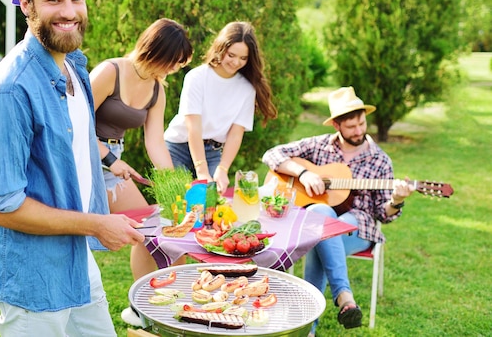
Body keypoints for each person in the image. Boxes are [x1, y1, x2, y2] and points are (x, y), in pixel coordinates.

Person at [0, 0, 144, 337]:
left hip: (77, 261)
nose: (69, 11)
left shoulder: (76, 69)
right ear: (26, 5)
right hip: (33, 280)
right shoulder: (9, 91)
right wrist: (97, 225)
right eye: (53, 0)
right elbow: (2, 207)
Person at [261, 86, 414, 334]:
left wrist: (396, 199)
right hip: (320, 224)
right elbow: (272, 154)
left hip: (358, 227)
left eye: (362, 124)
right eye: (351, 126)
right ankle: (344, 297)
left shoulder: (380, 160)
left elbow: (384, 214)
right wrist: (304, 173)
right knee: (322, 214)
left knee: (319, 238)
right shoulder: (319, 146)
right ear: (336, 126)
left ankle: (308, 327)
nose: (359, 131)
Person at [90, 18, 192, 274]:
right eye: (174, 61)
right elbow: (74, 125)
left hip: (113, 161)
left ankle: (146, 305)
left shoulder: (157, 89)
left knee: (150, 229)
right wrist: (110, 160)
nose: (174, 69)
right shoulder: (110, 72)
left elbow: (155, 141)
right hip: (81, 158)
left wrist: (173, 184)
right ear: (157, 51)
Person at [164, 21, 277, 193]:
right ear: (221, 48)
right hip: (178, 147)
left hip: (213, 151)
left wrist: (223, 168)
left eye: (243, 58)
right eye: (231, 55)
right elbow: (193, 126)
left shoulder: (247, 88)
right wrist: (201, 171)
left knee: (212, 206)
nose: (236, 62)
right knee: (177, 203)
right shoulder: (197, 77)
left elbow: (235, 134)